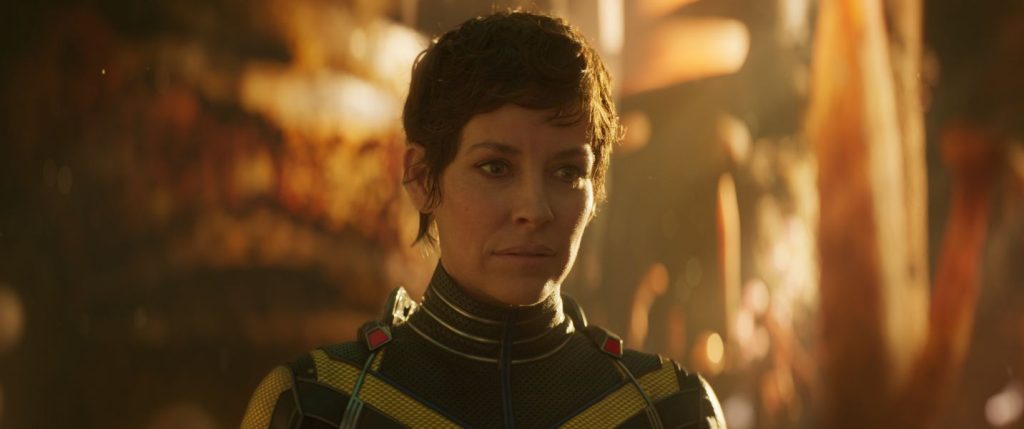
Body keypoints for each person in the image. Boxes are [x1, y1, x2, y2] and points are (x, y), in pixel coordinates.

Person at [241, 10, 726, 429]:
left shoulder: (670, 410)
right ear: (422, 178)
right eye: (495, 168)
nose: (534, 210)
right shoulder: (315, 406)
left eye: (566, 172)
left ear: (595, 187)